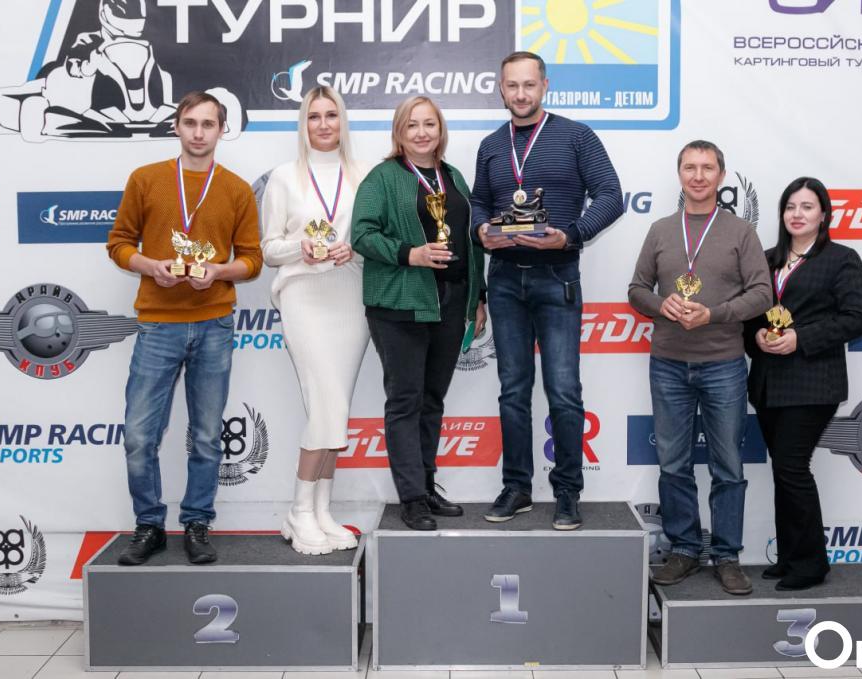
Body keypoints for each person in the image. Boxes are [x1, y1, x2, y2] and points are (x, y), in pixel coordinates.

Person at [107, 91, 262, 565]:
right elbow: (118, 243)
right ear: (176, 126)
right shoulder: (146, 179)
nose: (198, 132)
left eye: (208, 124)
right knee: (139, 435)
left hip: (214, 323)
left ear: (221, 130)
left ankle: (197, 522)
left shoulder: (236, 189)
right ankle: (149, 525)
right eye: (190, 123)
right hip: (158, 324)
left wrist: (218, 272)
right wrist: (150, 266)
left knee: (207, 436)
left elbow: (252, 260)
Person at [471, 51, 623, 530]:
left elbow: (611, 195)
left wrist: (571, 235)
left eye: (529, 85)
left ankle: (567, 492)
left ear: (545, 86)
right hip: (504, 279)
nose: (521, 94)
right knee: (513, 390)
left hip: (557, 277)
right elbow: (478, 202)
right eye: (512, 86)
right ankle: (517, 487)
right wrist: (481, 231)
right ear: (501, 89)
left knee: (563, 390)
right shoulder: (491, 145)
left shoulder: (576, 136)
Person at [628, 140, 771, 594]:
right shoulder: (660, 230)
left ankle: (727, 556)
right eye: (690, 167)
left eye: (707, 168)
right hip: (668, 364)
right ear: (680, 174)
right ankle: (685, 549)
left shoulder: (740, 232)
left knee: (728, 466)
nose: (698, 176)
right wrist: (661, 304)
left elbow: (763, 293)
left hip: (723, 364)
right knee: (673, 464)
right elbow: (636, 289)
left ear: (721, 176)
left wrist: (715, 314)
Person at [351, 96, 486, 530]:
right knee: (406, 401)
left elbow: (470, 241)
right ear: (399, 132)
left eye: (430, 124)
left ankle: (426, 487)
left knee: (431, 400)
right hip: (400, 305)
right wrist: (410, 254)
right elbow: (362, 234)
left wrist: (478, 297)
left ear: (440, 130)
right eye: (412, 125)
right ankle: (410, 498)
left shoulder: (454, 177)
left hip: (451, 302)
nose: (422, 132)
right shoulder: (383, 177)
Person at [746, 177, 862, 591]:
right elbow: (750, 315)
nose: (797, 214)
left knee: (792, 467)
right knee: (784, 471)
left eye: (807, 207)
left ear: (823, 214)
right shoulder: (766, 259)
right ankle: (789, 557)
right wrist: (756, 336)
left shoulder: (841, 259)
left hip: (813, 382)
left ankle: (811, 564)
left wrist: (801, 338)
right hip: (768, 383)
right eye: (790, 207)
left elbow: (857, 318)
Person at [261, 86, 368, 555]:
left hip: (351, 296)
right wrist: (299, 248)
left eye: (331, 115)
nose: (323, 124)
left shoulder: (365, 175)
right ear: (303, 124)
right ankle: (299, 510)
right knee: (325, 405)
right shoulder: (284, 177)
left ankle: (321, 509)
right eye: (313, 116)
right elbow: (269, 249)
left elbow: (375, 238)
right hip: (304, 294)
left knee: (334, 408)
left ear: (343, 121)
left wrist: (354, 249)